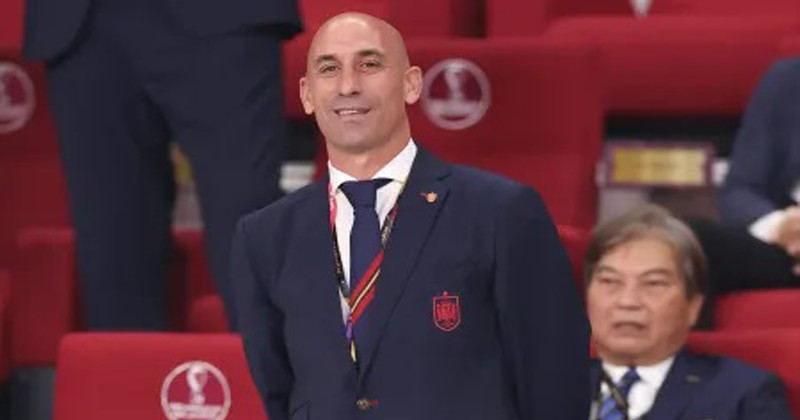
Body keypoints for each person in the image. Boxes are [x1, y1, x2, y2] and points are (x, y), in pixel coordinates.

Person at [232, 12, 589, 420]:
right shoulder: (264, 236)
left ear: (411, 84)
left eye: (369, 64)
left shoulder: (501, 213)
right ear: (307, 94)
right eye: (329, 69)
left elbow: (554, 384)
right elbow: (279, 391)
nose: (348, 85)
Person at [23, 0, 301, 329]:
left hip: (226, 16)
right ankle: (127, 365)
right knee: (112, 249)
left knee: (245, 222)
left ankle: (279, 362)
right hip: (82, 23)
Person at [586, 204, 792, 420]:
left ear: (693, 306)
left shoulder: (743, 393)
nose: (627, 301)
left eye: (653, 284)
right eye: (609, 281)